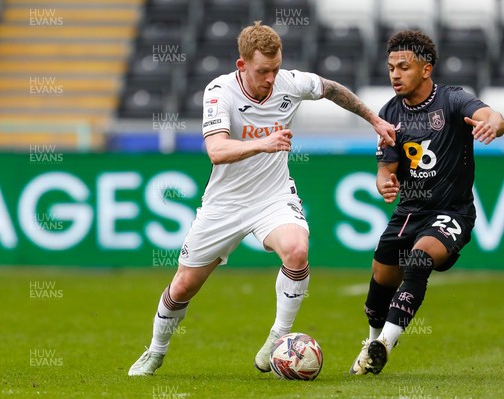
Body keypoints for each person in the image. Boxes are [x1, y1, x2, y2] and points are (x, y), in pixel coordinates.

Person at [128, 21, 396, 376]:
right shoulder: (219, 91)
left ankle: (277, 338)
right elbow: (216, 150)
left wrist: (374, 120)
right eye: (263, 71)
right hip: (225, 203)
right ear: (242, 66)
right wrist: (264, 143)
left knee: (297, 251)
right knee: (183, 286)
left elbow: (331, 89)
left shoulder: (290, 83)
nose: (271, 78)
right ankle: (156, 351)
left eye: (276, 69)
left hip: (273, 196)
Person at [349, 30, 504, 375]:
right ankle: (371, 345)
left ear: (426, 68)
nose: (394, 74)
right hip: (408, 213)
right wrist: (384, 183)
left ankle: (385, 344)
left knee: (419, 259)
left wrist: (492, 126)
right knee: (378, 292)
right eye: (391, 67)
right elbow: (384, 168)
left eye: (403, 67)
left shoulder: (452, 100)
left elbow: (493, 117)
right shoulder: (389, 112)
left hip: (451, 212)